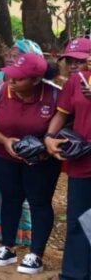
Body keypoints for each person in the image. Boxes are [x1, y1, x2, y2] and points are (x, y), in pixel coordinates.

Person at [0, 53, 60, 275]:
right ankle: (7, 246)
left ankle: (36, 254)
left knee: (39, 202)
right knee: (10, 198)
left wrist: (44, 146)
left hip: (42, 162)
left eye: (18, 78)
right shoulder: (0, 92)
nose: (11, 80)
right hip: (5, 156)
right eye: (11, 75)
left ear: (35, 80)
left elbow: (68, 125)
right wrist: (4, 140)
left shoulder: (54, 96)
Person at [0, 39, 43, 248]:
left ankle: (24, 234)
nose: (11, 57)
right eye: (11, 53)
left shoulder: (44, 88)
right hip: (0, 147)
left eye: (18, 54)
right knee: (2, 189)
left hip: (34, 152)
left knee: (28, 194)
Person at [44, 41, 91, 279]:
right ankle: (74, 273)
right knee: (78, 218)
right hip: (82, 160)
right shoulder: (75, 82)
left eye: (80, 60)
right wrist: (49, 138)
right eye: (70, 61)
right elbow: (61, 113)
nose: (74, 66)